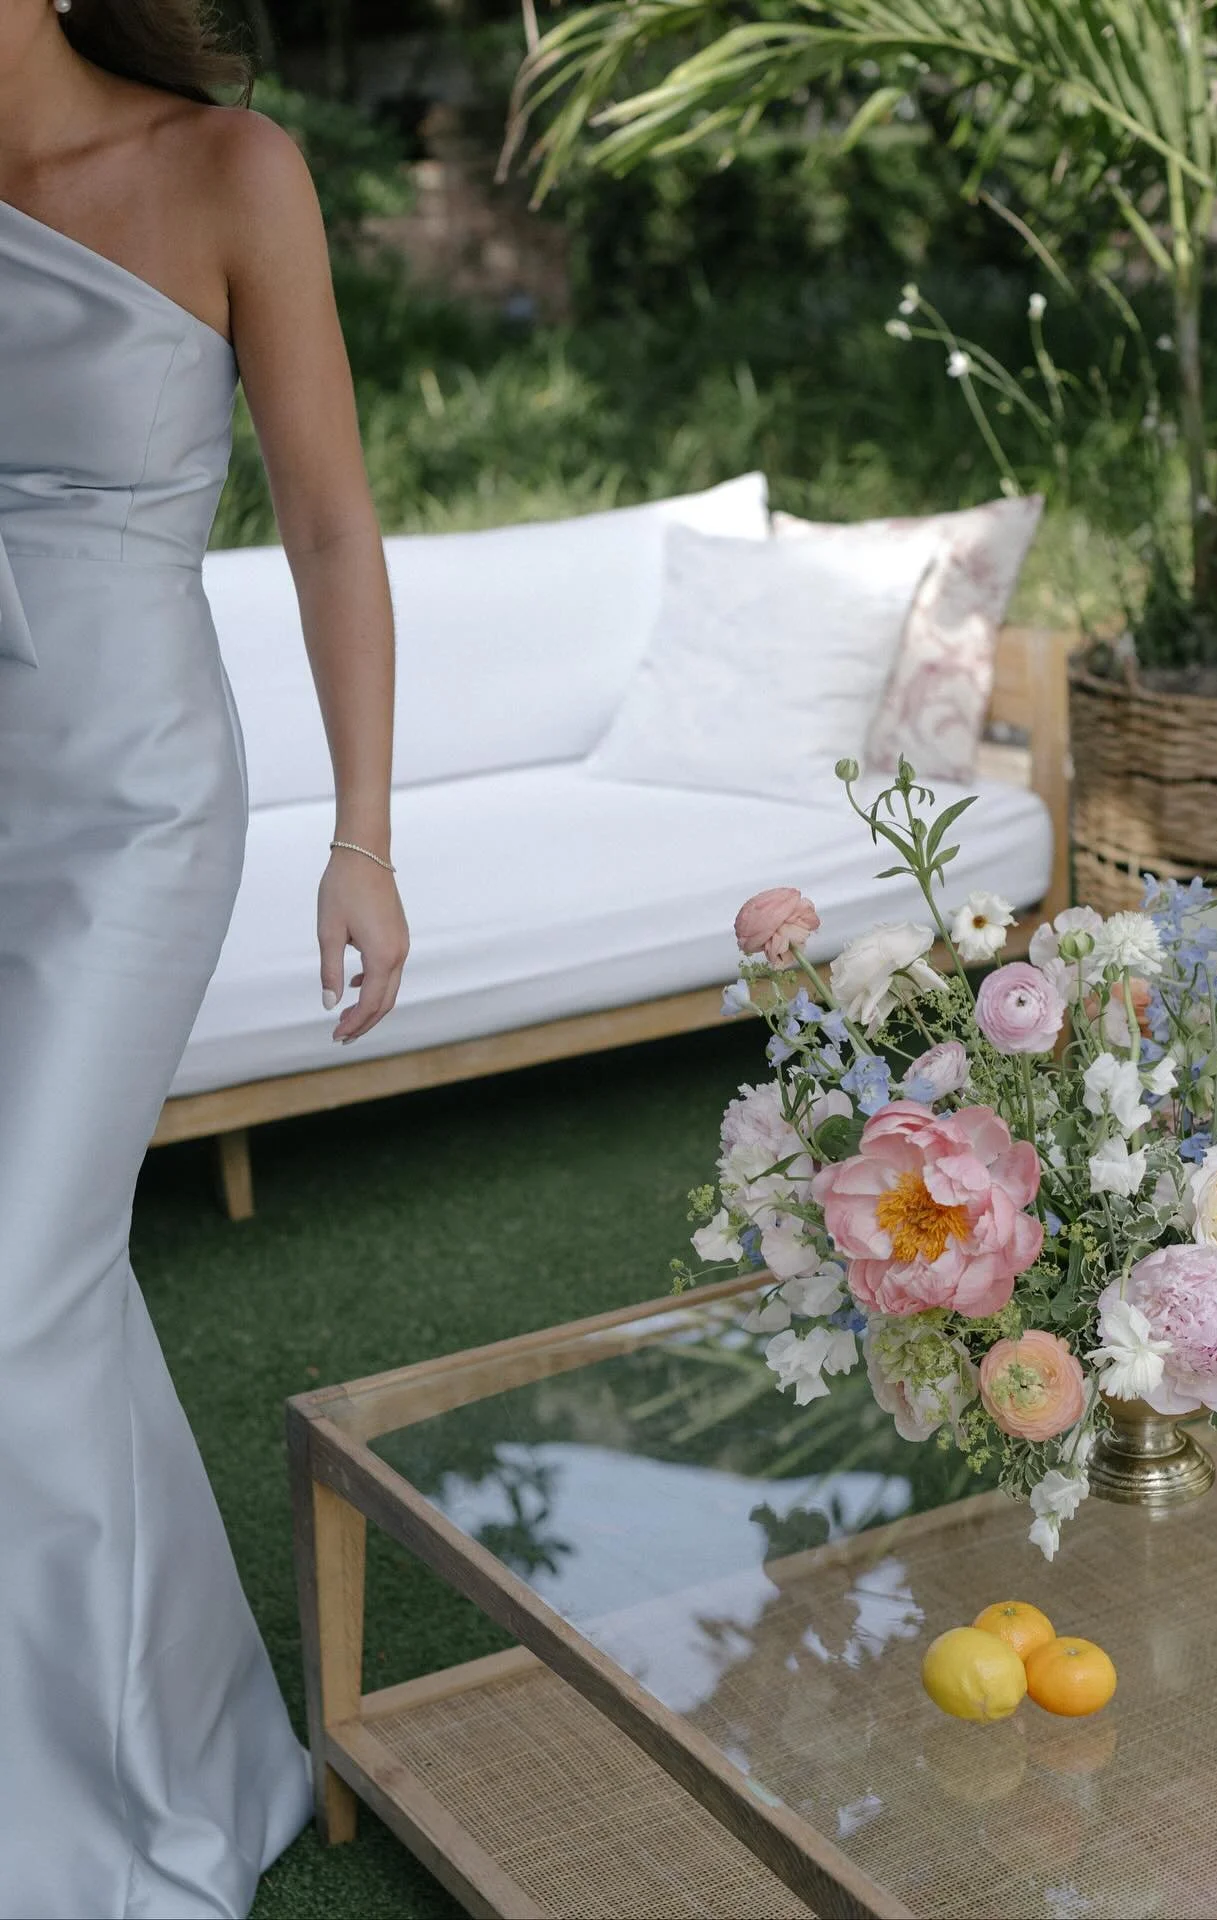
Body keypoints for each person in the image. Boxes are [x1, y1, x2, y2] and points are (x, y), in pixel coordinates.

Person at [0, 2, 410, 1912]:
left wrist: (363, 840)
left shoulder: (229, 167)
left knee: (13, 1284)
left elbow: (328, 519)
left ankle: (113, 1821)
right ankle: (182, 1746)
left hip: (132, 813)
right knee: (54, 1295)